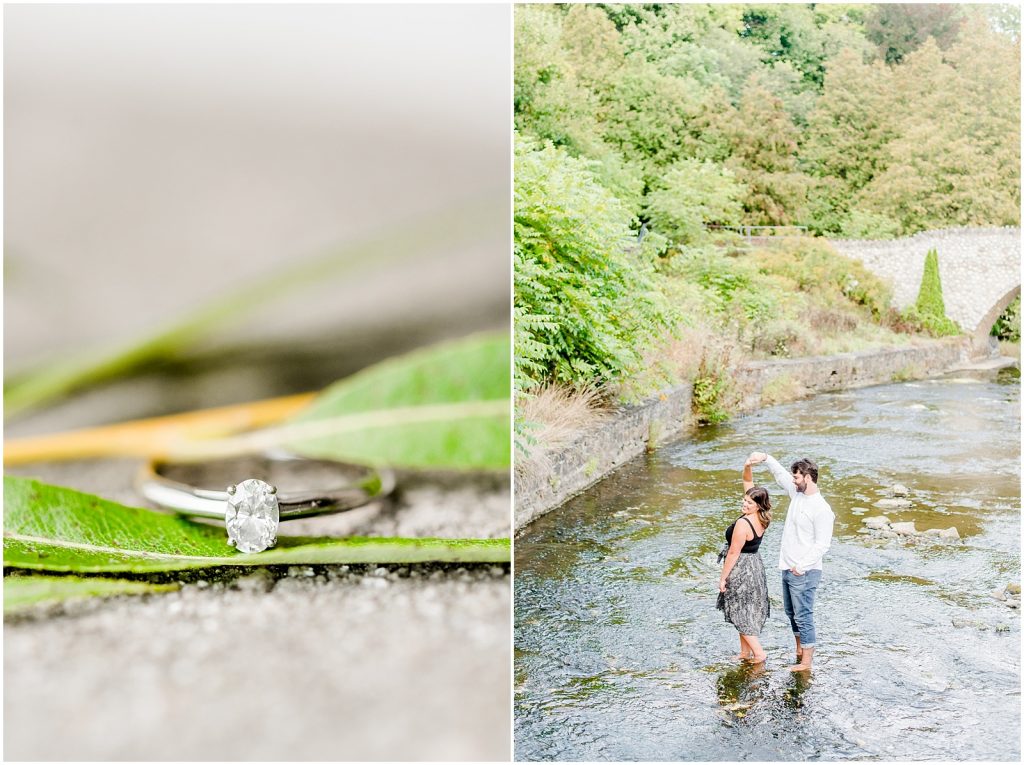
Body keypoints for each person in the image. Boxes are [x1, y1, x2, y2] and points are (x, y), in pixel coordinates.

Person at [748, 451, 834, 672]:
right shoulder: (797, 494)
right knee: (790, 613)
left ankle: (806, 663)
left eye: (796, 477)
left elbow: (822, 545)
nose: (793, 481)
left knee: (804, 615)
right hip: (787, 567)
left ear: (808, 477)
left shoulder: (822, 509)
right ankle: (799, 649)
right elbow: (780, 475)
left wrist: (801, 567)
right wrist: (765, 458)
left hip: (804, 572)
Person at [716, 455, 772, 663]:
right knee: (745, 609)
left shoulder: (743, 524)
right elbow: (748, 484)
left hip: (742, 569)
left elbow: (733, 553)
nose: (744, 503)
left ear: (757, 505)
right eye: (744, 500)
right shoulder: (763, 517)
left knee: (739, 612)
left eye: (748, 502)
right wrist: (747, 466)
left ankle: (759, 654)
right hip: (755, 566)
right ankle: (744, 653)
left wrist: (723, 578)